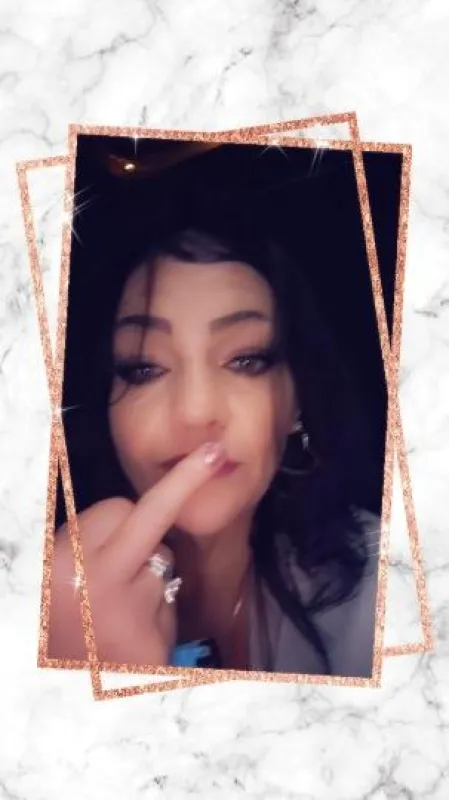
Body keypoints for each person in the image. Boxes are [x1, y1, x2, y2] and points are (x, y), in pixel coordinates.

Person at [49, 223, 381, 677]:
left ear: (296, 403)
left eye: (247, 359)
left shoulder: (384, 580)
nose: (196, 411)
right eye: (143, 367)